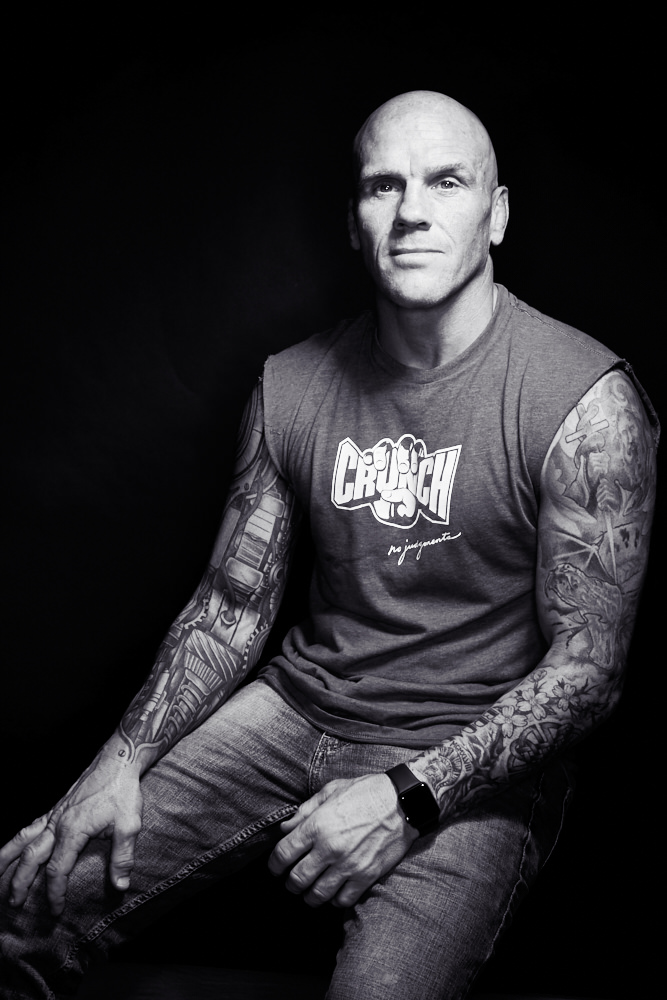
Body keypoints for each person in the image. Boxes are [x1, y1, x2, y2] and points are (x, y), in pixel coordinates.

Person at [0, 90, 658, 1000]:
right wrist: (116, 762)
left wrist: (409, 794)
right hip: (297, 710)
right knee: (26, 905)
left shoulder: (584, 402)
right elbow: (230, 607)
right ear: (354, 221)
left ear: (497, 214)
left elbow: (588, 669)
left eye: (446, 182)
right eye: (384, 186)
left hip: (474, 755)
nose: (412, 211)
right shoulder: (291, 385)